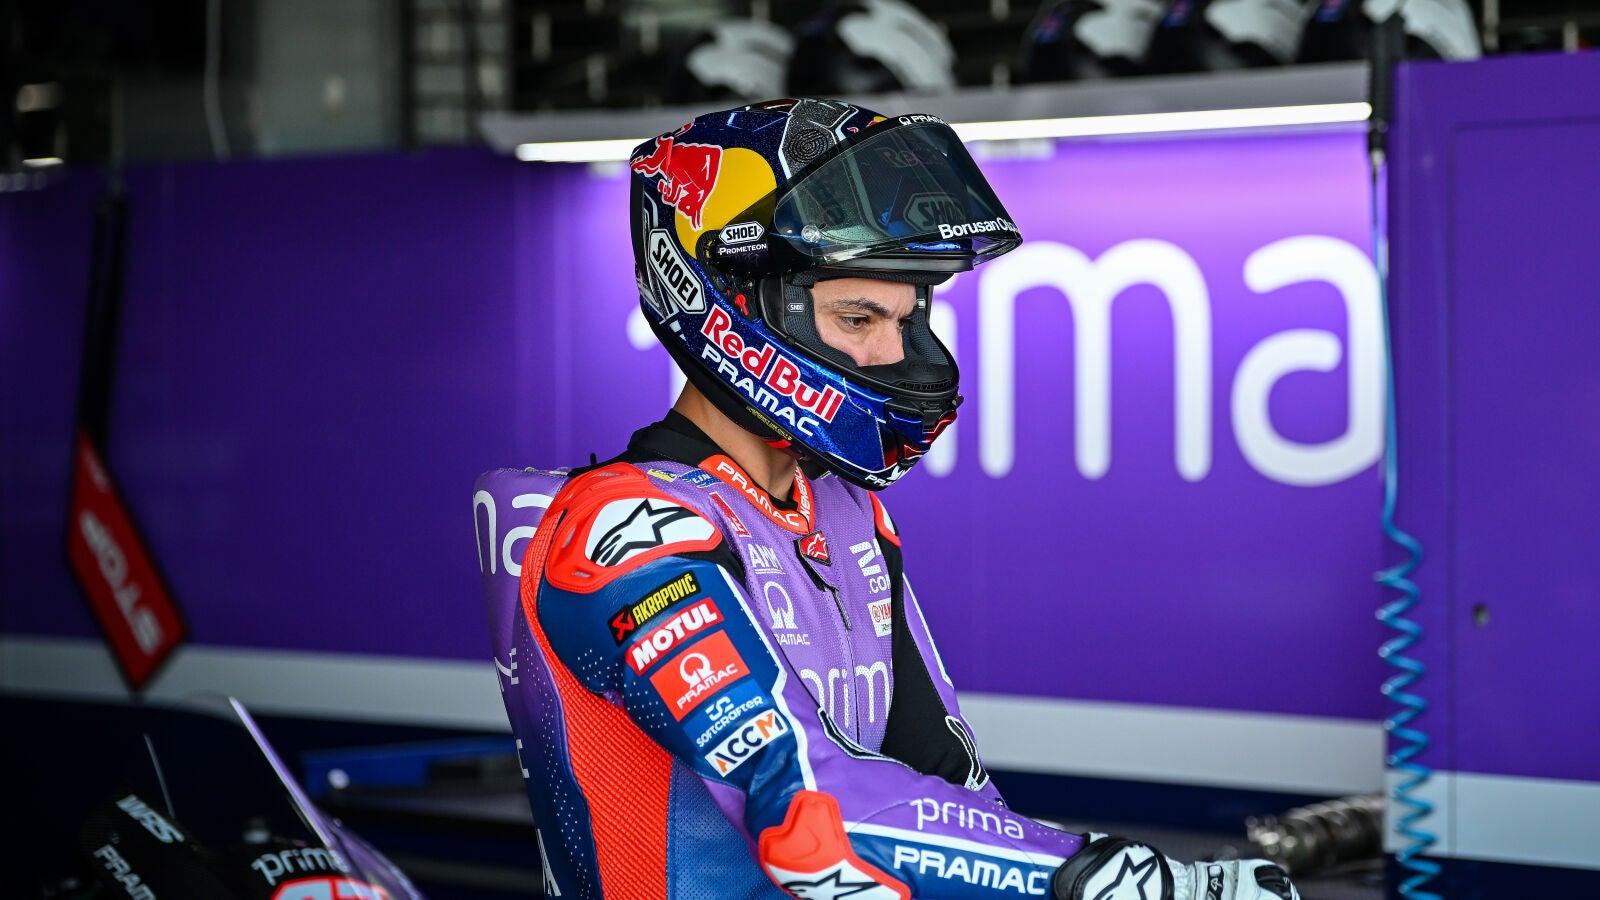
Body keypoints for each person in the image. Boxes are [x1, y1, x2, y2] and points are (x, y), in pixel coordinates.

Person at [484, 98, 1299, 900]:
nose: (890, 353)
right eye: (857, 317)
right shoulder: (620, 529)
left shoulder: (844, 511)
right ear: (730, 300)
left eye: (905, 321)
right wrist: (1120, 883)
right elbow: (811, 824)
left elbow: (948, 785)